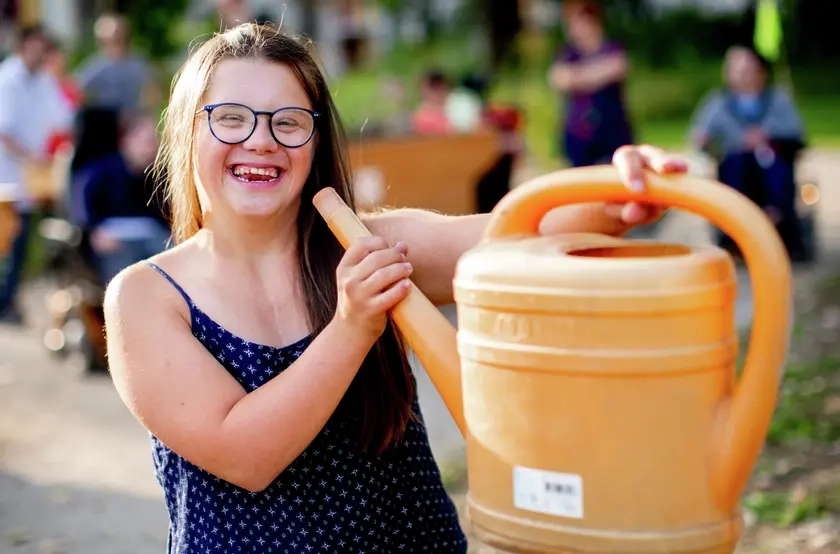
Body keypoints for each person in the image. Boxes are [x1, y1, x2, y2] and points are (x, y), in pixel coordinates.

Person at [103, 23, 688, 553]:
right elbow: (246, 455)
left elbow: (512, 237)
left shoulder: (366, 244)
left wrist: (617, 191)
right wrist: (351, 328)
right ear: (187, 131)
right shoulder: (145, 297)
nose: (261, 140)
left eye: (289, 122)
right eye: (230, 117)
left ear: (316, 143)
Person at [0, 25, 73, 323]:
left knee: (18, 245)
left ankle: (7, 302)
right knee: (6, 242)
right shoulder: (7, 79)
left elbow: (64, 119)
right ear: (22, 47)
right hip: (6, 176)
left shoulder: (44, 81)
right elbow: (4, 132)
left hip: (30, 181)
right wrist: (33, 157)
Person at [689, 45, 804, 228]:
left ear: (761, 72)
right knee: (735, 165)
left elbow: (797, 137)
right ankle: (738, 217)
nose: (741, 75)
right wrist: (709, 142)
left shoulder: (778, 100)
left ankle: (775, 215)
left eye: (747, 70)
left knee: (775, 166)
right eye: (736, 70)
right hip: (734, 165)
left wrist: (766, 137)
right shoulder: (717, 103)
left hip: (771, 163)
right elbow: (699, 138)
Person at [72, 111, 170, 285]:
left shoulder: (160, 176)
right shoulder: (100, 173)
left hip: (151, 235)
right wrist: (93, 232)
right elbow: (82, 208)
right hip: (113, 236)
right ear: (126, 141)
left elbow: (168, 215)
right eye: (144, 142)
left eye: (152, 142)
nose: (150, 148)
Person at [549, 0, 633, 168]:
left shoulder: (613, 48)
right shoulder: (568, 53)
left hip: (612, 130)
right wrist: (599, 73)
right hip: (579, 134)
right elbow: (558, 79)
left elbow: (619, 67)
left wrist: (578, 76)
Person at [75, 13, 156, 115]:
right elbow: (76, 89)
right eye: (111, 39)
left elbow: (152, 89)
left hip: (133, 118)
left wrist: (145, 111)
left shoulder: (138, 62)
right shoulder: (96, 65)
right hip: (106, 119)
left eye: (119, 36)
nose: (116, 40)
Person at [411, 69, 453, 135]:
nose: (436, 90)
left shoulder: (458, 108)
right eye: (432, 86)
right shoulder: (419, 117)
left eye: (439, 84)